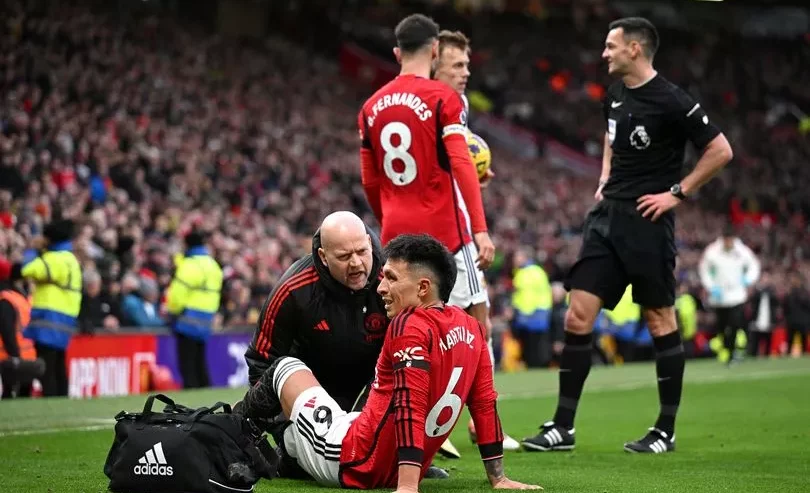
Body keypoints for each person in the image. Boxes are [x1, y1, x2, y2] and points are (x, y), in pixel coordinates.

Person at [522, 17, 734, 454]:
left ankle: (665, 429)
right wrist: (603, 176)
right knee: (576, 316)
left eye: (611, 46)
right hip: (607, 217)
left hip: (648, 221)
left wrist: (678, 193)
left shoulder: (673, 100)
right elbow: (610, 135)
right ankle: (563, 426)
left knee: (660, 319)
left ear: (635, 49)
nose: (603, 54)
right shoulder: (614, 94)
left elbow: (720, 149)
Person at [241, 233, 541, 491]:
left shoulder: (408, 324)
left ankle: (235, 432)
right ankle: (288, 451)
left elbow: (409, 404)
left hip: (351, 460)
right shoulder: (472, 329)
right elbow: (485, 403)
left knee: (285, 367)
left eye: (391, 279)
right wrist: (498, 477)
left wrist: (408, 487)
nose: (381, 288)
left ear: (423, 288)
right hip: (396, 463)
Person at [358, 14, 501, 456]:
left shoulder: (370, 106)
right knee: (472, 331)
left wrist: (389, 221)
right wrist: (479, 229)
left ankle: (400, 437)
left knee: (401, 337)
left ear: (397, 53)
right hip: (444, 237)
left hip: (396, 234)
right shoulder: (442, 97)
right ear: (435, 51)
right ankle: (484, 435)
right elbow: (461, 164)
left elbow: (370, 179)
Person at [241, 210, 450, 480]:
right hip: (312, 398)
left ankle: (404, 458)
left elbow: (428, 342)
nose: (356, 264)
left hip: (374, 394)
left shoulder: (396, 279)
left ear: (368, 242)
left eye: (362, 252)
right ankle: (274, 450)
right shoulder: (293, 291)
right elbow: (261, 364)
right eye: (343, 257)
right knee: (285, 376)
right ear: (323, 258)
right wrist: (283, 429)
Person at [432, 29, 521, 450]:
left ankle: (465, 423)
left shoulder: (458, 105)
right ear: (435, 64)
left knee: (465, 324)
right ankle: (461, 425)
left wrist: (472, 175)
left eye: (467, 65)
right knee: (468, 325)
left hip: (449, 224)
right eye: (458, 65)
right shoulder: (436, 102)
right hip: (453, 233)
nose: (466, 72)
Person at [15, 219, 82, 397]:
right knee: (58, 365)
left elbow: (26, 268)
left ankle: (52, 398)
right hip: (63, 319)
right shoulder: (70, 258)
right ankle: (62, 400)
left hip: (49, 318)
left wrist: (31, 248)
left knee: (47, 367)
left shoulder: (55, 258)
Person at [166, 230, 223, 389]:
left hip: (187, 321)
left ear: (187, 245)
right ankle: (205, 391)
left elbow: (177, 295)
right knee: (200, 361)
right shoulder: (213, 264)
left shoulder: (190, 265)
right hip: (206, 321)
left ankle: (191, 392)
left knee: (187, 364)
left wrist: (173, 311)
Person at [698, 225, 761, 364]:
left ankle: (731, 352)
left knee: (734, 323)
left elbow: (754, 265)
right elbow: (704, 270)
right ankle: (725, 349)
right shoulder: (713, 251)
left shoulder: (742, 251)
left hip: (737, 295)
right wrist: (711, 286)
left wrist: (748, 279)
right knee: (721, 325)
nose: (728, 243)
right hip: (718, 296)